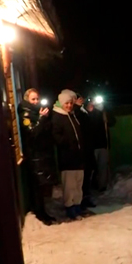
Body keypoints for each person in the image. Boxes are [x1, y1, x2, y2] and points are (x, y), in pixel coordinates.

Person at [18, 88, 57, 226]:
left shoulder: (37, 112)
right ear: (27, 99)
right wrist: (41, 119)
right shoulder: (26, 113)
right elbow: (32, 133)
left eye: (37, 99)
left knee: (42, 185)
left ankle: (43, 212)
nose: (36, 101)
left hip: (42, 153)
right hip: (34, 155)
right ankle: (40, 213)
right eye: (33, 99)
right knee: (37, 186)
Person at [52, 90, 86, 220]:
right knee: (69, 185)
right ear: (61, 103)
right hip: (68, 158)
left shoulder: (72, 116)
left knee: (78, 184)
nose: (69, 105)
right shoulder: (58, 117)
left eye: (70, 103)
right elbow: (56, 136)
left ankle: (77, 205)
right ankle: (69, 207)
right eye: (66, 103)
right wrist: (67, 143)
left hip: (78, 157)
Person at [74, 93, 97, 212]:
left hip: (88, 147)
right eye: (78, 98)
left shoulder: (84, 111)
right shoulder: (74, 111)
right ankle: (81, 200)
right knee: (82, 177)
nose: (81, 100)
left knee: (88, 174)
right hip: (82, 148)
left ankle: (86, 197)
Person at [86, 97, 110, 190]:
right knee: (91, 168)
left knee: (102, 167)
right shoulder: (86, 113)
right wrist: (90, 111)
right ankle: (90, 186)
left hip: (102, 144)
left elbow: (111, 121)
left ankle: (102, 186)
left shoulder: (102, 113)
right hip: (91, 146)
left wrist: (104, 110)